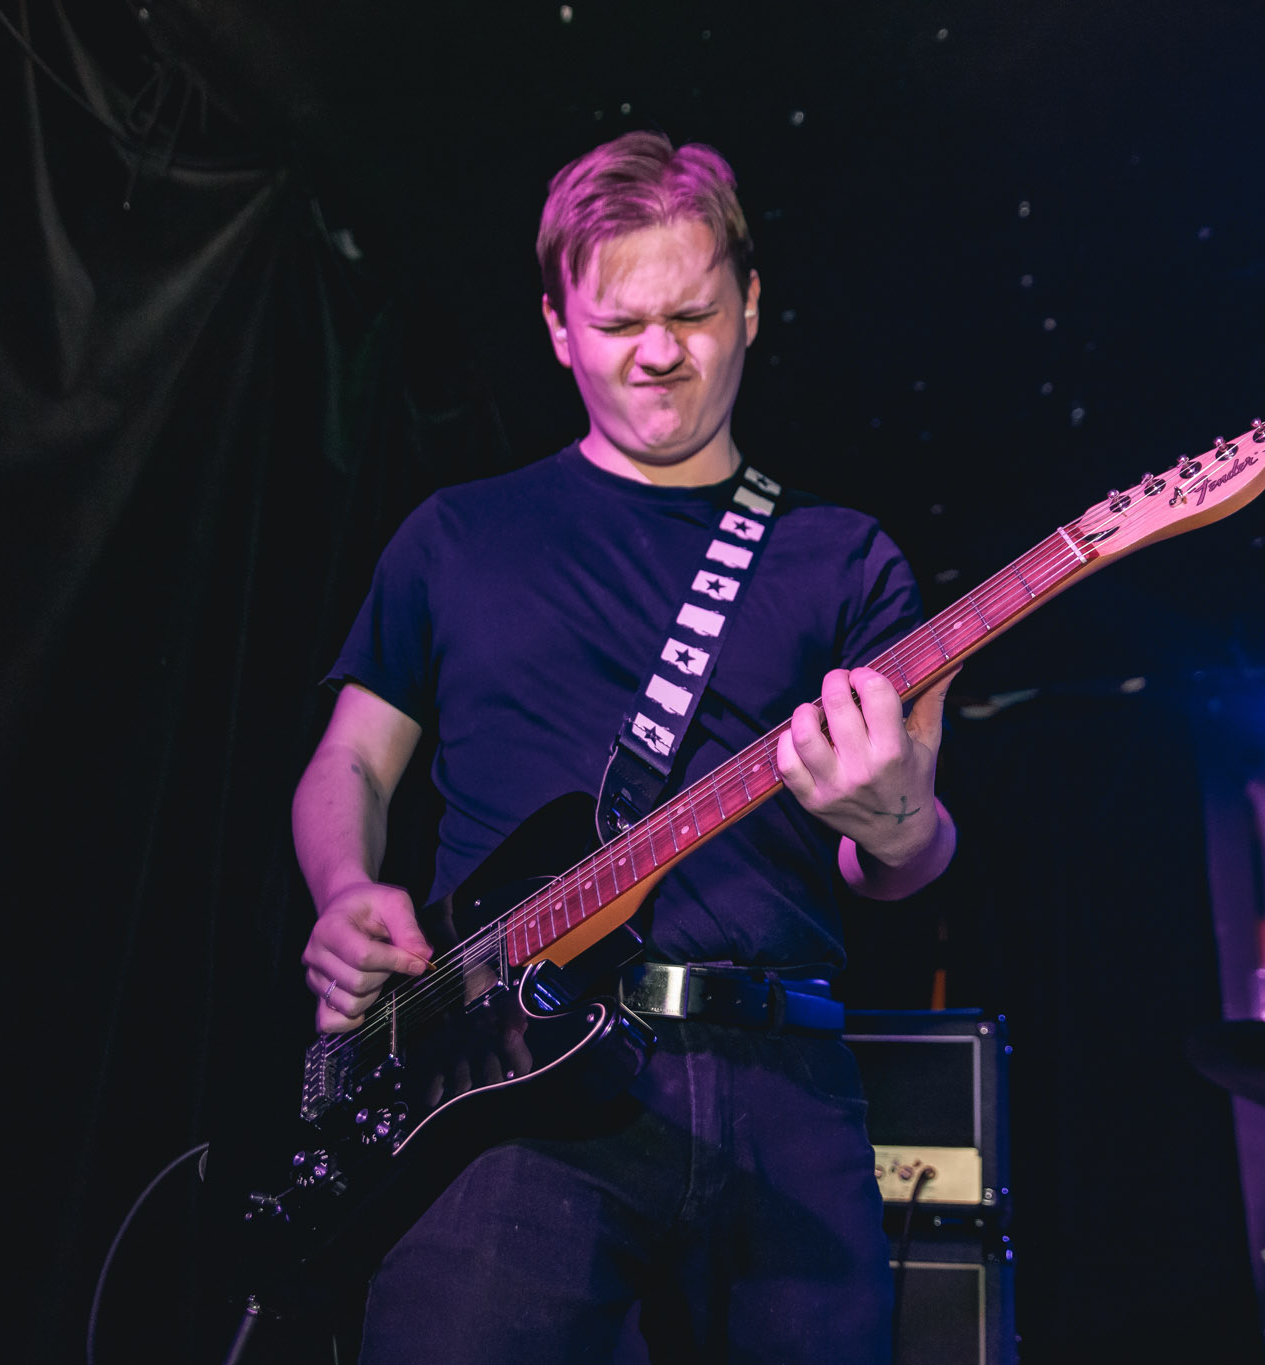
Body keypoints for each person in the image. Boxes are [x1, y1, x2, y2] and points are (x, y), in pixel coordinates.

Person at [290, 131, 960, 1364]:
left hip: (782, 1090)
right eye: (617, 324)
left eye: (694, 313)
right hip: (504, 1085)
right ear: (556, 328)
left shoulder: (843, 558)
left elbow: (906, 863)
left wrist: (893, 822)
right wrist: (343, 891)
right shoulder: (453, 536)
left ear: (750, 305)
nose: (658, 353)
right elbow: (351, 762)